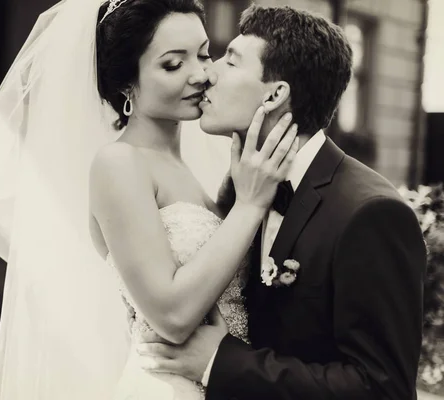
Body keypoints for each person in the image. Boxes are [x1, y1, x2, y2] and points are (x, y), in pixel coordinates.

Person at [0, 0, 297, 398]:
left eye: (204, 55)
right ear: (126, 84)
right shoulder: (119, 163)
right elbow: (171, 315)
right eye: (173, 64)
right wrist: (250, 206)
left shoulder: (204, 163)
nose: (201, 75)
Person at [137, 5, 427, 400]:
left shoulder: (371, 213)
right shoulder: (239, 187)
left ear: (274, 95)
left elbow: (383, 389)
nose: (208, 73)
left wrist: (220, 362)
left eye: (231, 61)